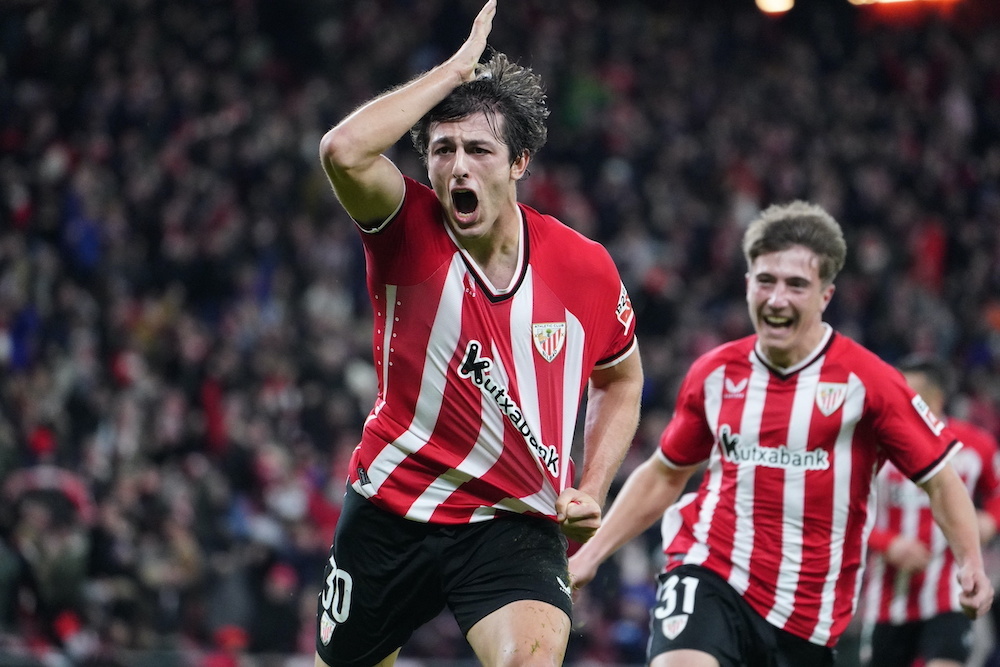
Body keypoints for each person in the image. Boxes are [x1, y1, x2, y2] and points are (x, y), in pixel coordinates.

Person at [314, 2, 644, 666]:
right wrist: (453, 73)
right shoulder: (404, 227)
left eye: (478, 149)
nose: (458, 167)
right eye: (444, 150)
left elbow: (622, 377)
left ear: (519, 161)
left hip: (513, 520)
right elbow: (343, 151)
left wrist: (593, 486)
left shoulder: (584, 268)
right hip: (393, 507)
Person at [568, 200, 994, 667]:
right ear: (748, 283)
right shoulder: (715, 373)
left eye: (796, 285)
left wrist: (970, 562)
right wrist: (592, 554)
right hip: (710, 567)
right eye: (766, 281)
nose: (777, 299)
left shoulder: (870, 383)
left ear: (825, 296)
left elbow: (941, 480)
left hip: (806, 612)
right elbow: (665, 473)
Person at [860, 355, 1000, 667]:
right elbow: (848, 512)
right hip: (888, 599)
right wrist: (888, 543)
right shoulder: (872, 446)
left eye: (906, 394)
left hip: (948, 592)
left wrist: (991, 520)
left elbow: (996, 493)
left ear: (935, 399)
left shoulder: (975, 445)